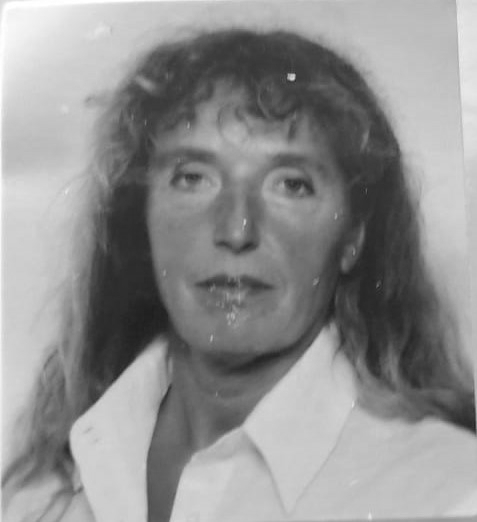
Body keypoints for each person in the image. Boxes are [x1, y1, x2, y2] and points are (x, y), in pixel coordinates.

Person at [3, 28, 476, 522]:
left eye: (291, 184)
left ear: (353, 237)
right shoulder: (43, 488)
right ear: (140, 218)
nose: (237, 229)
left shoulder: (449, 492)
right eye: (193, 177)